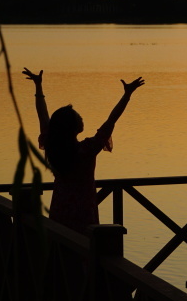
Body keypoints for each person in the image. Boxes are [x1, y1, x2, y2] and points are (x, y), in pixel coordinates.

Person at [23, 68, 145, 233]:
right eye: (78, 117)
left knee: (61, 253)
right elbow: (112, 119)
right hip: (84, 213)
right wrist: (127, 95)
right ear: (73, 126)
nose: (81, 119)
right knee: (85, 253)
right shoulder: (86, 151)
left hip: (60, 209)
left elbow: (43, 117)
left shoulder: (53, 145)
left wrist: (38, 87)